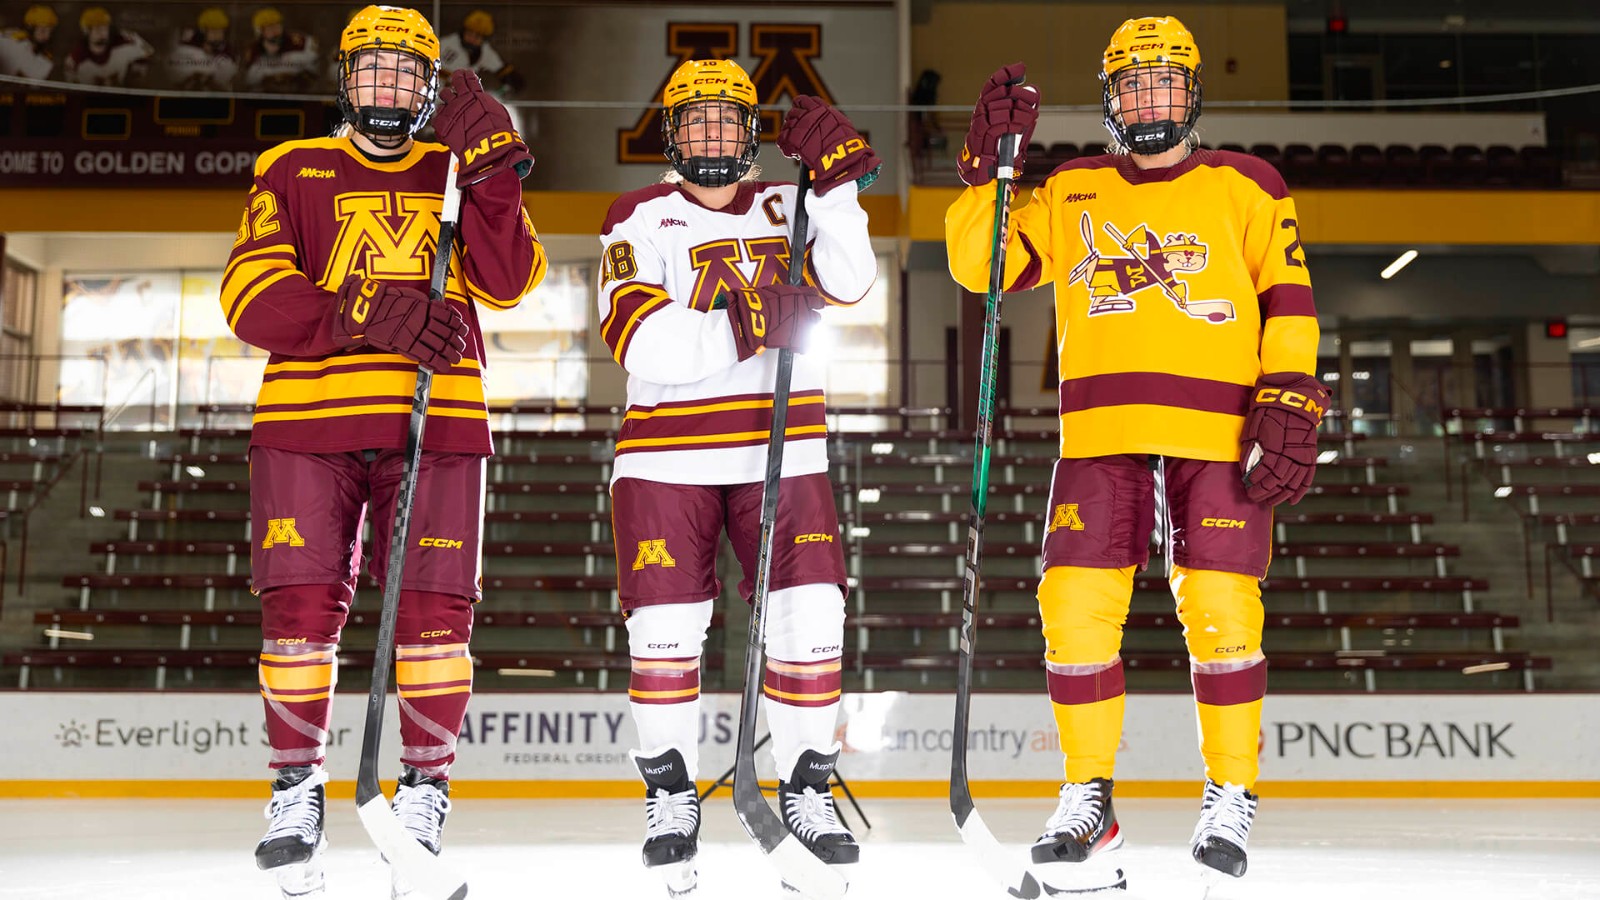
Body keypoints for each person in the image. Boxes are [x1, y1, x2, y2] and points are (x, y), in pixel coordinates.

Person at [944, 15, 1328, 893]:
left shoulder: (1249, 184)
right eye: (1134, 84)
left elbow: (1290, 299)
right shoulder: (1072, 186)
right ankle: (1089, 799)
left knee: (1224, 613)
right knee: (1072, 609)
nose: (1150, 99)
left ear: (1191, 94)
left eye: (1166, 82)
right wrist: (984, 175)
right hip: (1099, 435)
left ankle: (1230, 794)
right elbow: (982, 267)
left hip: (1219, 435)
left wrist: (1290, 391)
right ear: (1111, 99)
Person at [222, 6, 543, 898]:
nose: (387, 85)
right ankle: (295, 790)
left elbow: (509, 281)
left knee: (437, 616)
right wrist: (363, 311)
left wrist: (496, 178)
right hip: (307, 423)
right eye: (373, 68)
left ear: (430, 88)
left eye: (406, 71)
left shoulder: (457, 170)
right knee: (297, 611)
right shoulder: (290, 167)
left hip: (439, 423)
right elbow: (249, 295)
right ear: (345, 77)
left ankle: (424, 793)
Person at [598, 58, 880, 895]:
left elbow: (852, 280)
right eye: (696, 120)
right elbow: (642, 341)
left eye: (727, 118)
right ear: (671, 134)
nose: (712, 134)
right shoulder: (635, 217)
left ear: (751, 132)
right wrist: (752, 319)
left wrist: (838, 191)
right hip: (665, 458)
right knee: (664, 633)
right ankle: (670, 795)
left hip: (786, 450)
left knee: (810, 619)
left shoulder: (792, 202)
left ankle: (806, 790)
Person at [63, 6, 151, 86]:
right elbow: (71, 85)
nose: (103, 33)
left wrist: (135, 37)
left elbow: (148, 51)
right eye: (98, 29)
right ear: (87, 31)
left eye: (105, 28)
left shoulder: (121, 49)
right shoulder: (76, 58)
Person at [241, 7, 319, 92]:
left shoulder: (300, 43)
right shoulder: (253, 50)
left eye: (277, 26)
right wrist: (268, 78)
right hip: (266, 94)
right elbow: (249, 80)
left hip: (297, 91)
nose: (275, 31)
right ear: (259, 31)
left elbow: (314, 70)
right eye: (269, 27)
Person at [167, 7, 237, 90]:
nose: (217, 35)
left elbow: (227, 76)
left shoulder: (228, 52)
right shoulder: (189, 51)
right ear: (203, 31)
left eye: (220, 31)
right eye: (213, 31)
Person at [0, 5, 57, 79]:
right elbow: (36, 75)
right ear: (31, 28)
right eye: (43, 30)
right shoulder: (19, 44)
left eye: (50, 31)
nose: (47, 36)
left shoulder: (19, 38)